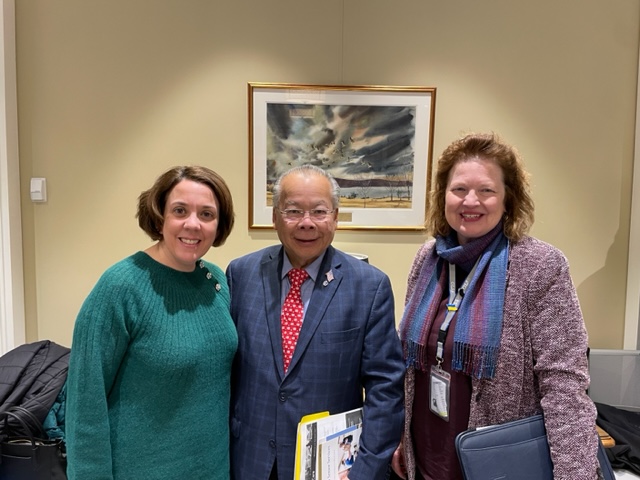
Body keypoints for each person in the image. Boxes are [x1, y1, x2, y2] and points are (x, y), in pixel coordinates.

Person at [390, 133, 602, 480]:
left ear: (508, 199)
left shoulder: (540, 266)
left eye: (486, 190)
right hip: (426, 455)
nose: (470, 201)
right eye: (459, 189)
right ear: (443, 195)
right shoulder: (428, 259)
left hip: (497, 464)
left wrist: (575, 474)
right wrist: (399, 438)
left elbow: (564, 384)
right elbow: (411, 366)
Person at [226, 164, 404, 480]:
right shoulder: (240, 274)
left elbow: (385, 388)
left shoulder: (369, 286)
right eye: (293, 211)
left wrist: (364, 470)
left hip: (331, 466)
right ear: (275, 217)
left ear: (335, 217)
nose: (306, 223)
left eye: (319, 212)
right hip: (249, 459)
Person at [65, 166, 237, 480]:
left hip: (212, 469)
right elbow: (85, 402)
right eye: (180, 210)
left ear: (219, 224)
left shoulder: (216, 281)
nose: (192, 224)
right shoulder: (120, 287)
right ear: (160, 217)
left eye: (207, 214)